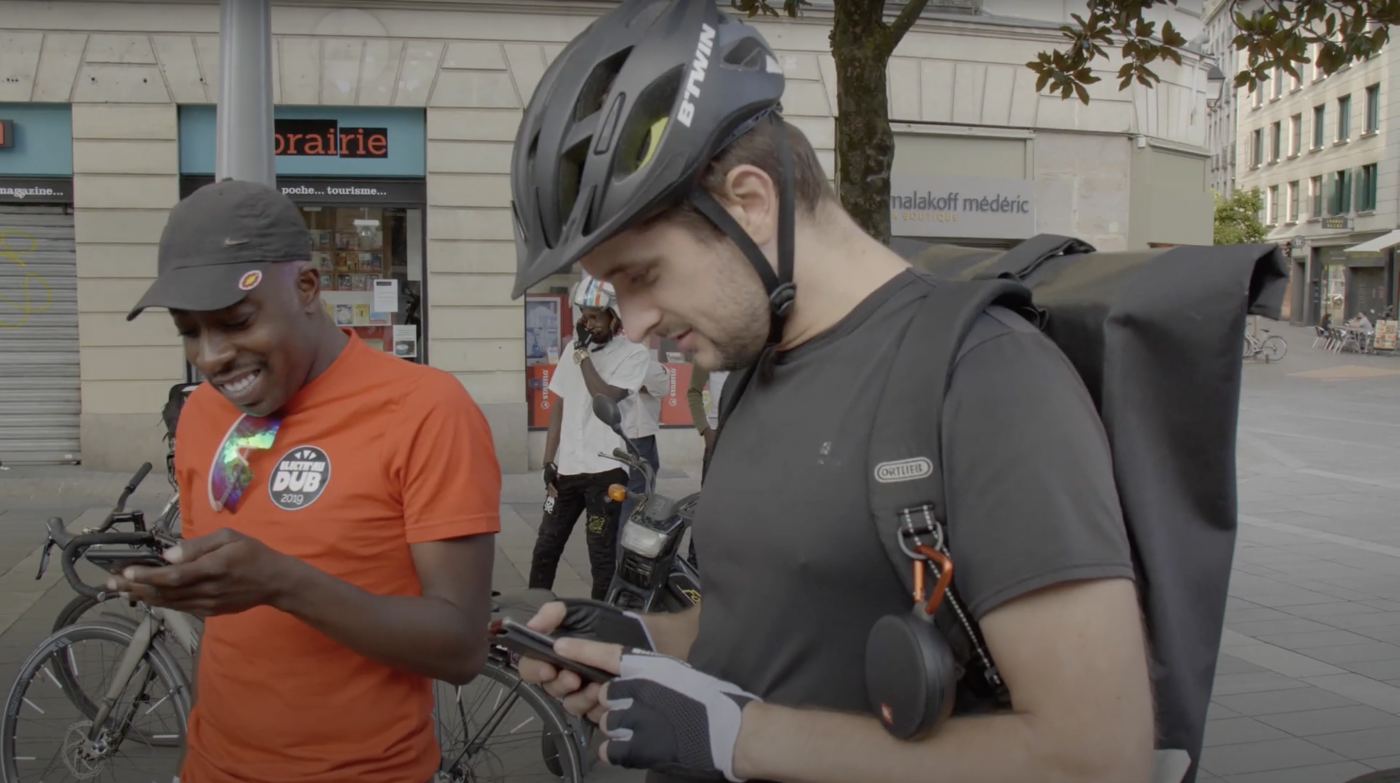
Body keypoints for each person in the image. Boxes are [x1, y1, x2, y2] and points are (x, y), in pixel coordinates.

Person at [505, 2, 1155, 783]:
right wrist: (637, 641)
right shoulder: (755, 367)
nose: (635, 324)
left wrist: (743, 740)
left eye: (641, 275)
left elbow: (1096, 758)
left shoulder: (990, 379)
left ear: (749, 202)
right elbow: (765, 629)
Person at [114, 179, 502, 783]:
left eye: (236, 321)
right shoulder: (202, 413)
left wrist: (282, 582)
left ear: (306, 288)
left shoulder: (426, 408)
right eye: (189, 331)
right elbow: (231, 627)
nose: (211, 356)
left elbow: (460, 648)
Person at [533, 274, 652, 600]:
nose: (587, 321)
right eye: (584, 314)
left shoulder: (633, 354)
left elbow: (604, 397)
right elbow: (559, 403)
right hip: (568, 468)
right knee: (546, 545)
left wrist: (584, 356)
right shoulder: (573, 349)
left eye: (595, 316)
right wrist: (548, 460)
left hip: (606, 470)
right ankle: (532, 615)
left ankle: (601, 622)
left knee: (599, 554)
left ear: (614, 317)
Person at [618, 354, 671, 526]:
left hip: (635, 430)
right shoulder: (637, 357)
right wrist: (663, 372)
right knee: (639, 487)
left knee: (641, 481)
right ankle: (626, 537)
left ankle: (631, 530)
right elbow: (662, 386)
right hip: (637, 432)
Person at [685, 363, 729, 478]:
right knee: (712, 491)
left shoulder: (750, 349)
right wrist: (705, 429)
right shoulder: (708, 349)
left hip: (747, 435)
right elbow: (694, 391)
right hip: (716, 434)